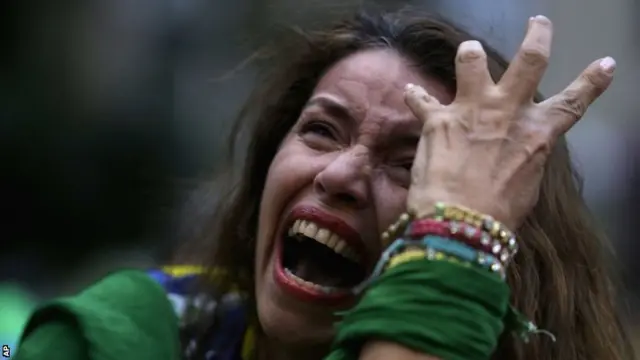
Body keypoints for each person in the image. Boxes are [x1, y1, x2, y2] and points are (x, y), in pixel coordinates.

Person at [12, 8, 634, 360]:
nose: (339, 175)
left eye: (410, 163)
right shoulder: (122, 337)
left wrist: (457, 240)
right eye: (320, 130)